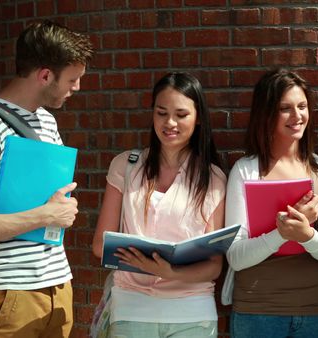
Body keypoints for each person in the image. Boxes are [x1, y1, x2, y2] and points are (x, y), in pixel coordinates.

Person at [0, 20, 92, 337]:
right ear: (45, 75)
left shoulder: (47, 122)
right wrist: (46, 215)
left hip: (57, 286)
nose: (77, 87)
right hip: (6, 294)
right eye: (72, 79)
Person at [92, 72, 226, 338]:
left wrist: (170, 271)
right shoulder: (126, 166)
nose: (170, 123)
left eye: (181, 114)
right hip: (131, 309)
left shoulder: (212, 178)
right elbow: (100, 245)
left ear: (198, 118)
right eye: (161, 113)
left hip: (192, 314)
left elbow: (214, 265)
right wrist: (143, 261)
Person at [220, 69, 318, 338]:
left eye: (302, 106)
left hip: (316, 311)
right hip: (256, 312)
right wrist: (281, 234)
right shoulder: (246, 170)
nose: (297, 116)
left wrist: (307, 236)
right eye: (285, 108)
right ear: (266, 114)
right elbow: (235, 256)